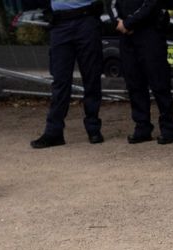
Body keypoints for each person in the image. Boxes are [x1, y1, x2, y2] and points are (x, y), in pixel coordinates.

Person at [32, 0, 106, 148]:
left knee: (91, 77)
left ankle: (93, 128)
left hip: (86, 18)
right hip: (60, 22)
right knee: (60, 80)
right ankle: (54, 131)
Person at [114, 0, 173, 144]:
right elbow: (111, 5)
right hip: (126, 36)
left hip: (150, 33)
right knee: (134, 83)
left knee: (159, 82)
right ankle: (142, 127)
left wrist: (129, 23)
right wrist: (118, 23)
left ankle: (168, 128)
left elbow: (151, 4)